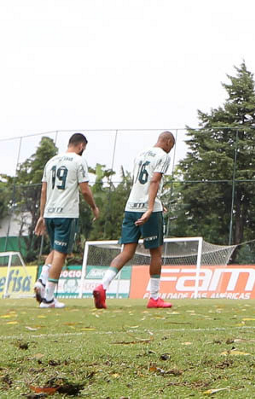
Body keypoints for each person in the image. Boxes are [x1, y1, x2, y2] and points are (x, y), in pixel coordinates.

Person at [93, 131, 176, 309]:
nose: (170, 150)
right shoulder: (163, 156)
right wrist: (151, 207)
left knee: (126, 252)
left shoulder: (140, 155)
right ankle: (154, 298)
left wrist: (157, 203)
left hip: (130, 207)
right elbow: (154, 181)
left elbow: (140, 184)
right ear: (168, 142)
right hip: (148, 210)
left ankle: (102, 286)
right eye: (172, 146)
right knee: (156, 253)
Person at [33, 134, 99, 308]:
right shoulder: (78, 161)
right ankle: (48, 298)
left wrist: (41, 215)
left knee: (55, 250)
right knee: (61, 254)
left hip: (49, 213)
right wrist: (94, 207)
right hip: (66, 213)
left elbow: (43, 191)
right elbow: (85, 190)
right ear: (81, 146)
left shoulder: (51, 161)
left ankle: (42, 280)